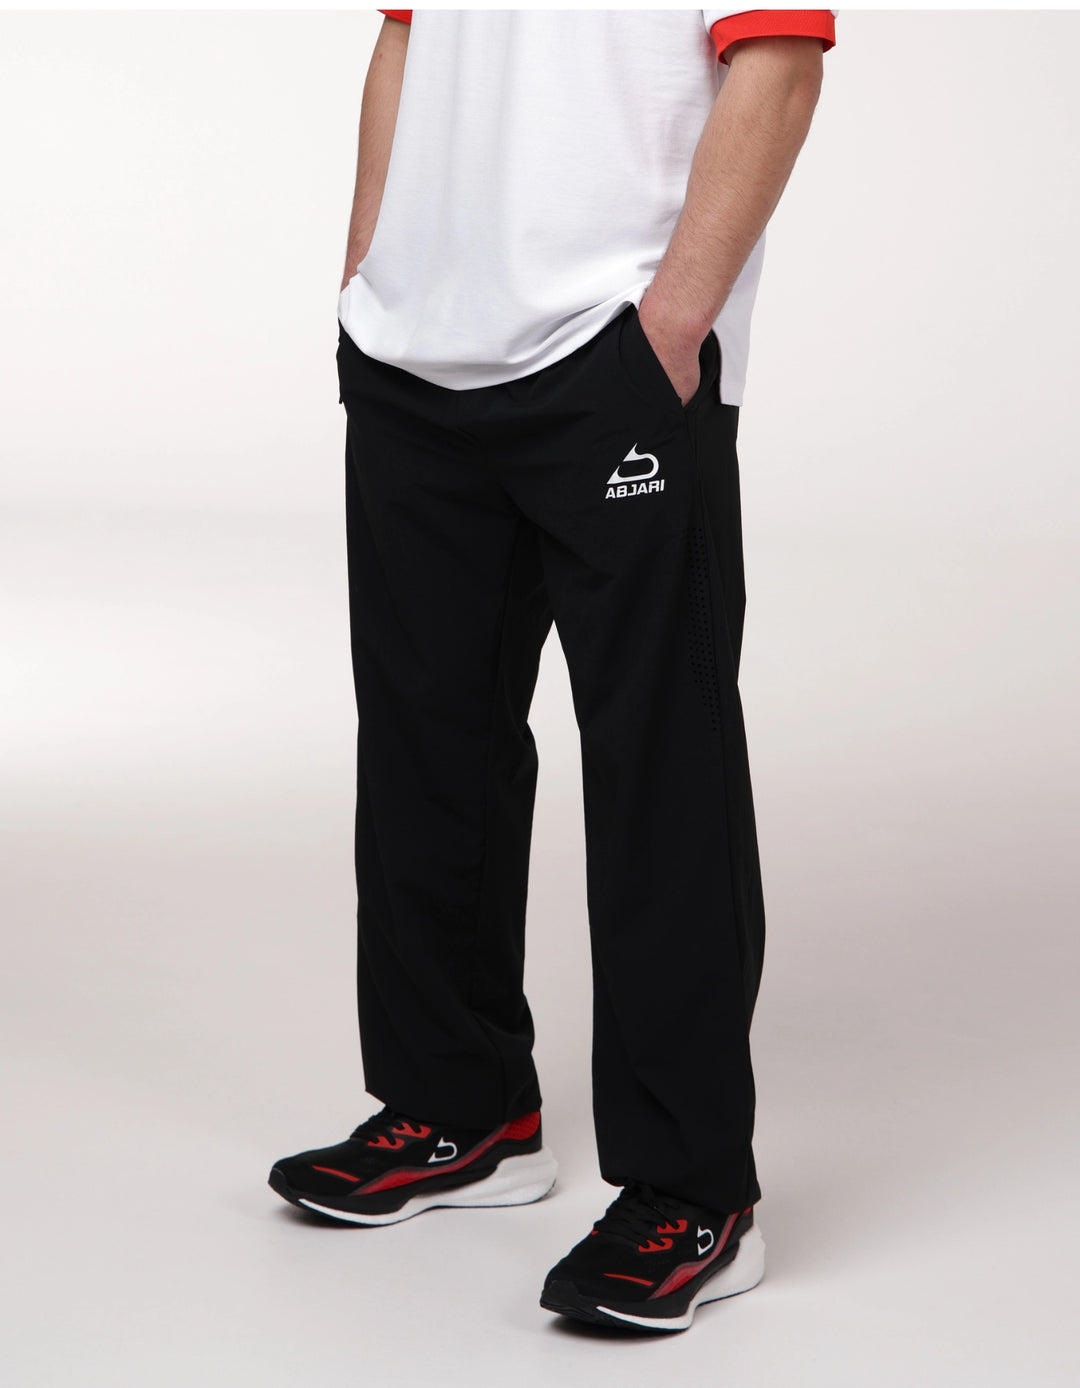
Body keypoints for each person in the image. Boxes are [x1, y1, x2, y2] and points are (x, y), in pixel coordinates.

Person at [269, 7, 836, 1333]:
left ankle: (694, 1188)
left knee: (659, 767)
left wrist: (670, 332)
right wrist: (366, 275)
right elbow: (406, 39)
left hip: (611, 355)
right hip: (413, 358)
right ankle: (457, 1109)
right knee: (425, 742)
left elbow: (778, 65)